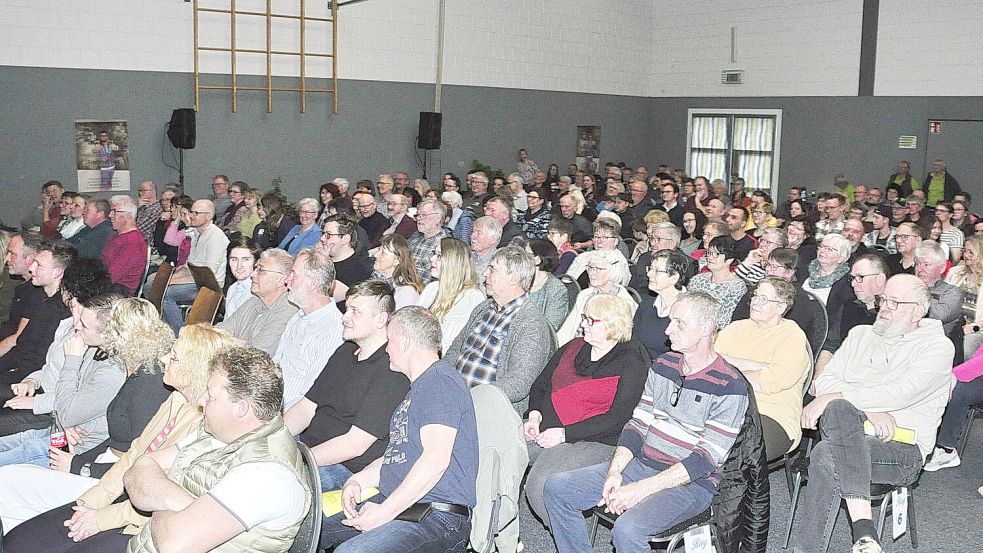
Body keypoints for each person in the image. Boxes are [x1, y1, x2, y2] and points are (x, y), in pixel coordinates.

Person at [0, 324, 238, 552]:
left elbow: (159, 496)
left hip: (143, 519)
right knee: (20, 540)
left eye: (173, 357)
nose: (164, 359)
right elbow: (134, 453)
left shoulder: (204, 423)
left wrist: (101, 518)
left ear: (193, 368)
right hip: (118, 489)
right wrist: (92, 501)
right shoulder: (176, 398)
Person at [542, 292, 749, 553]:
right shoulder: (663, 365)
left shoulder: (729, 386)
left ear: (707, 328)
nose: (668, 329)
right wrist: (616, 470)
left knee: (628, 531)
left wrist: (639, 490)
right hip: (641, 465)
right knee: (557, 489)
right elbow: (637, 424)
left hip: (690, 484)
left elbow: (705, 459)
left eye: (679, 323)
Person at [796, 274, 954, 553]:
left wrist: (839, 395)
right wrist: (870, 409)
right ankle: (864, 532)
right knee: (837, 415)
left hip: (903, 447)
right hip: (848, 433)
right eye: (883, 300)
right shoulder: (860, 335)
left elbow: (901, 392)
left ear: (918, 310)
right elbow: (825, 381)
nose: (884, 308)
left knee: (825, 450)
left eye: (895, 303)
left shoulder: (937, 347)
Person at [0, 298, 173, 530]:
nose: (76, 327)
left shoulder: (141, 383)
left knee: (7, 479)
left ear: (116, 335)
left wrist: (79, 464)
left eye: (84, 324)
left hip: (96, 470)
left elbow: (137, 457)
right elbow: (74, 414)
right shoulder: (122, 365)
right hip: (71, 443)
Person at [119, 347, 310, 552]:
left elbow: (172, 545)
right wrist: (180, 502)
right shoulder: (220, 432)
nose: (201, 401)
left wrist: (160, 488)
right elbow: (140, 468)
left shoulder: (267, 475)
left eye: (211, 396)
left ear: (241, 409)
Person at [318, 306, 476, 553]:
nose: (386, 348)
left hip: (436, 515)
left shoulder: (440, 382)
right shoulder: (417, 391)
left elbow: (435, 459)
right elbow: (395, 456)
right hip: (402, 506)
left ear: (404, 342)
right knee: (308, 526)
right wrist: (357, 481)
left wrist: (384, 512)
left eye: (389, 341)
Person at [523, 294, 650, 526]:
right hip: (547, 428)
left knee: (539, 483)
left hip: (596, 440)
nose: (583, 324)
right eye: (584, 318)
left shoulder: (632, 357)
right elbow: (541, 384)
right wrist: (533, 415)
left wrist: (563, 434)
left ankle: (569, 540)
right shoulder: (574, 346)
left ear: (613, 323)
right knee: (500, 452)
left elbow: (619, 418)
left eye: (592, 320)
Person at [285, 281, 410, 493]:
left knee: (273, 481)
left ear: (380, 319)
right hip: (307, 448)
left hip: (343, 468)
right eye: (347, 309)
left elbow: (355, 444)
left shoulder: (392, 371)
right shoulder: (345, 352)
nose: (345, 316)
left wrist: (295, 460)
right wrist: (271, 439)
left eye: (355, 311)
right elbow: (306, 408)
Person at [0, 294, 126, 468]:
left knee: (16, 455)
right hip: (61, 430)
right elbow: (67, 404)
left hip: (76, 449)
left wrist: (73, 360)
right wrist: (67, 419)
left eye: (84, 325)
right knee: (13, 443)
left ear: (107, 333)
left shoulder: (113, 369)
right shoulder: (94, 348)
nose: (76, 326)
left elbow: (68, 412)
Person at [445, 246, 557, 413]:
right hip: (454, 397)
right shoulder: (483, 309)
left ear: (513, 278)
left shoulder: (531, 324)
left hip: (489, 409)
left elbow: (518, 384)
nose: (485, 274)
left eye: (492, 269)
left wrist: (470, 399)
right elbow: (455, 350)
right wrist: (441, 381)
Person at [714, 277, 810, 460]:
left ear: (781, 307)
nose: (755, 302)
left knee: (730, 446)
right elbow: (709, 360)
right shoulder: (737, 328)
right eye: (756, 296)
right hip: (727, 405)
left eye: (764, 299)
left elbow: (770, 381)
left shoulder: (792, 336)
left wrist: (729, 365)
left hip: (772, 414)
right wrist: (756, 366)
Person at [275, 247, 344, 409]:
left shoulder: (333, 329)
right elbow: (276, 365)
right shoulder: (298, 316)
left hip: (289, 416)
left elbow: (309, 398)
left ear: (313, 283)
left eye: (294, 275)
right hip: (270, 403)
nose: (287, 280)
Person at [0, 240, 75, 387]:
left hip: (30, 381)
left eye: (38, 265)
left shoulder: (61, 311)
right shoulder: (43, 300)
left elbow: (37, 362)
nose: (32, 269)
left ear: (58, 272)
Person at [150, 199, 229, 333]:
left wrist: (171, 282)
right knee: (152, 284)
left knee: (165, 293)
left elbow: (208, 275)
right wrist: (168, 279)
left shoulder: (216, 237)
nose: (191, 216)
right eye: (191, 212)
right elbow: (188, 266)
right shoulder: (195, 233)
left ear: (208, 216)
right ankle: (164, 330)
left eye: (196, 213)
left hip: (209, 287)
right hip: (195, 279)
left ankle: (179, 333)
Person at [216, 248, 297, 355]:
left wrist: (229, 340)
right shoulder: (254, 300)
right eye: (255, 269)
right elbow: (219, 331)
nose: (252, 274)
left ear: (282, 280)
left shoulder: (288, 309)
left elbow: (259, 353)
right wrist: (240, 342)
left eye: (261, 270)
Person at [416, 238, 486, 353]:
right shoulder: (432, 288)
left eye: (439, 255)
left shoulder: (472, 297)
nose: (431, 258)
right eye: (434, 253)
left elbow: (451, 345)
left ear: (453, 261)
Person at [557, 249, 635, 345]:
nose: (592, 273)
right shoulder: (585, 294)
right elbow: (568, 329)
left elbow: (618, 339)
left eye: (598, 269)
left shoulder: (623, 301)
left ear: (613, 271)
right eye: (590, 267)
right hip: (576, 346)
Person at [633, 249, 690, 360]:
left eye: (657, 271)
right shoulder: (646, 304)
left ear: (674, 277)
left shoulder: (689, 310)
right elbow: (633, 342)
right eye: (650, 269)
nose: (649, 274)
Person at [915, 240, 966, 363]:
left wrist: (914, 296)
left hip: (935, 350)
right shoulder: (907, 286)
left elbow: (939, 316)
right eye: (917, 264)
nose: (920, 269)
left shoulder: (952, 292)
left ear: (942, 268)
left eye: (926, 265)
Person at [688, 235, 747, 328]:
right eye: (709, 253)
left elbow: (726, 320)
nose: (710, 257)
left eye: (716, 254)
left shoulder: (736, 286)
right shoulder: (697, 280)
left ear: (729, 260)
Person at [320, 213, 374, 307]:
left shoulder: (358, 270)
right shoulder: (327, 261)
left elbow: (318, 298)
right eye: (323, 234)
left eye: (328, 235)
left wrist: (321, 262)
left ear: (345, 239)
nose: (322, 238)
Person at [100, 196, 147, 295]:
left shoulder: (133, 242)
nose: (110, 215)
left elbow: (112, 276)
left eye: (114, 211)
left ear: (129, 215)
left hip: (118, 292)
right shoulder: (116, 237)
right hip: (109, 285)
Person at [946, 235, 983, 358]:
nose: (966, 255)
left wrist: (974, 327)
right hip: (952, 323)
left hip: (976, 328)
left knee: (965, 349)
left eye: (971, 252)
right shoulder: (955, 272)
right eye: (964, 251)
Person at [525, 239, 570, 331]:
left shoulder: (556, 290)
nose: (521, 258)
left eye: (526, 254)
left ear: (537, 260)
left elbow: (550, 327)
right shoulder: (518, 279)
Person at [372, 234, 424, 308]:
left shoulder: (405, 292)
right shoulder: (375, 276)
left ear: (397, 260)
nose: (376, 255)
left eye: (383, 253)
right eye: (378, 249)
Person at [406, 198, 450, 284]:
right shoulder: (415, 238)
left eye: (423, 215)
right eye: (418, 215)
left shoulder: (444, 245)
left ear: (437, 218)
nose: (419, 218)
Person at [802, 233, 852, 304]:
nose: (822, 250)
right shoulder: (803, 271)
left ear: (841, 258)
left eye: (829, 249)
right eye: (821, 246)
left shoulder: (847, 283)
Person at [223, 236, 259, 317]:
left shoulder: (257, 293)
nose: (239, 266)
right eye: (234, 259)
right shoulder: (232, 288)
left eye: (246, 259)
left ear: (255, 262)